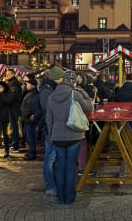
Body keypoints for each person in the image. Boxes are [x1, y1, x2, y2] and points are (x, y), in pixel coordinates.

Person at [45, 71, 93, 205]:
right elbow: (89, 107)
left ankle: (60, 197)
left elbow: (48, 119)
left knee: (60, 166)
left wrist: (51, 135)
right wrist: (82, 91)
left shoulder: (51, 96)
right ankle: (70, 197)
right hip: (74, 135)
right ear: (73, 82)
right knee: (71, 167)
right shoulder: (75, 94)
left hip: (57, 136)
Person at [39, 67, 61, 197]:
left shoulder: (51, 89)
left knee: (53, 158)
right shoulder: (47, 91)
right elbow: (48, 112)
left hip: (54, 129)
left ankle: (53, 184)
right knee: (50, 158)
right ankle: (49, 186)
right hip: (51, 130)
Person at [115, 74, 132, 139]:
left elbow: (117, 99)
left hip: (123, 112)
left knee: (124, 127)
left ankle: (125, 142)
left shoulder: (120, 89)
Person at [20, 78, 40, 161]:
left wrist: (30, 115)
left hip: (30, 119)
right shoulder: (30, 93)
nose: (26, 86)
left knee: (31, 137)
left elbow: (32, 106)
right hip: (27, 118)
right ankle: (30, 152)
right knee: (29, 137)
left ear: (32, 85)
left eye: (27, 84)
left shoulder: (34, 94)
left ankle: (32, 153)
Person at [4, 69, 22, 153]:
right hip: (13, 107)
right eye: (6, 74)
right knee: (13, 126)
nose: (6, 76)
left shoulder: (13, 83)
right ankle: (15, 145)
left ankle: (15, 146)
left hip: (13, 107)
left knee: (13, 126)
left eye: (8, 74)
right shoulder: (12, 83)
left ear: (13, 74)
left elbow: (12, 97)